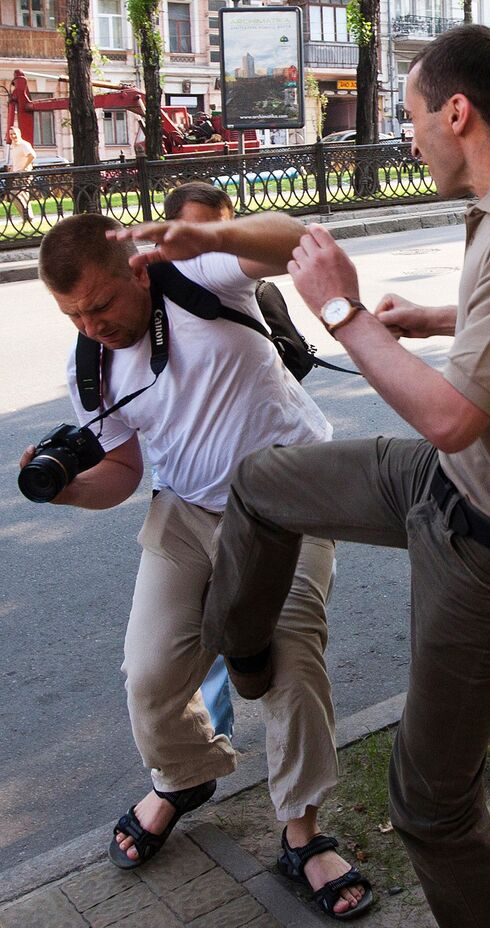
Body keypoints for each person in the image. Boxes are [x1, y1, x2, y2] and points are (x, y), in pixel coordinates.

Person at [117, 24, 490, 928]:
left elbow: (447, 415)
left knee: (428, 811)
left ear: (458, 111)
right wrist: (433, 317)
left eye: (412, 117)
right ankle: (246, 652)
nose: (409, 136)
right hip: (446, 484)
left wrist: (342, 308)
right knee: (267, 481)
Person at [21, 211, 373, 920]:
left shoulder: (195, 275)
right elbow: (121, 470)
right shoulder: (87, 364)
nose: (91, 325)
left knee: (291, 659)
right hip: (185, 509)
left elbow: (294, 243)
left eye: (100, 305)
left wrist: (218, 235)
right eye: (72, 314)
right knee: (149, 673)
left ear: (137, 269)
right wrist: (67, 492)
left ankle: (301, 833)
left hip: (287, 495)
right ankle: (185, 778)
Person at [163, 181, 236, 738]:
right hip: (188, 495)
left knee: (276, 638)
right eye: (191, 238)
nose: (204, 252)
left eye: (215, 234)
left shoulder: (229, 279)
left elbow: (287, 243)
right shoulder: (153, 300)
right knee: (198, 625)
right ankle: (216, 734)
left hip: (258, 484)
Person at [8, 125, 35, 221]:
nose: (13, 136)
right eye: (11, 134)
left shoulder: (24, 144)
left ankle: (27, 217)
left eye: (14, 134)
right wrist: (13, 168)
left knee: (14, 194)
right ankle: (28, 217)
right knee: (22, 195)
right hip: (18, 174)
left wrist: (23, 168)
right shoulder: (13, 146)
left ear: (19, 134)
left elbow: (32, 155)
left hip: (24, 174)